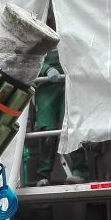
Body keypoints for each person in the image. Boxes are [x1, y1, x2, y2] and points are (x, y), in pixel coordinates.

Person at [26, 49, 88, 187]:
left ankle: (80, 171)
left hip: (68, 83)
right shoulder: (38, 31)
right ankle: (43, 175)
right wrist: (46, 69)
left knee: (72, 125)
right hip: (45, 86)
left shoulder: (70, 28)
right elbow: (27, 56)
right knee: (47, 130)